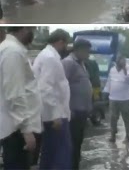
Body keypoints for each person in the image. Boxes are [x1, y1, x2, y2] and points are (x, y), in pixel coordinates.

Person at [0, 27, 41, 170]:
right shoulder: (13, 51)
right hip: (16, 129)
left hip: (15, 125)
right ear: (24, 29)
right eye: (32, 29)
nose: (33, 33)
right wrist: (27, 130)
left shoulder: (11, 49)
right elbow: (15, 93)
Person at [32, 29, 72, 169]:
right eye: (66, 44)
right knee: (61, 154)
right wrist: (55, 114)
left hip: (50, 113)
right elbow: (45, 87)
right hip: (55, 115)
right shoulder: (50, 58)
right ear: (61, 42)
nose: (66, 48)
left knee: (49, 153)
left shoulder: (45, 55)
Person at [62, 39, 93, 170]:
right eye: (87, 51)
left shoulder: (81, 63)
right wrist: (67, 108)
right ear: (78, 50)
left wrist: (89, 106)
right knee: (71, 145)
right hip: (73, 112)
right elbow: (61, 87)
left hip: (82, 111)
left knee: (78, 143)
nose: (88, 54)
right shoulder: (68, 63)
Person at [103, 56, 129, 143]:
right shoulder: (112, 69)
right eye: (119, 61)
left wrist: (125, 70)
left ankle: (127, 136)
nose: (120, 63)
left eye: (122, 61)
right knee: (113, 117)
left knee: (126, 118)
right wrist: (106, 92)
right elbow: (109, 81)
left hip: (125, 99)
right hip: (113, 98)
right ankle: (113, 135)